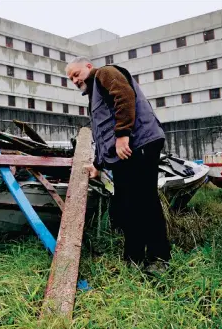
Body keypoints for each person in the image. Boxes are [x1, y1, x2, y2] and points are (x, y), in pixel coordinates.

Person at [66, 56, 171, 269]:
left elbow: (124, 96)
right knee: (127, 205)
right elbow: (101, 133)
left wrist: (123, 134)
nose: (75, 81)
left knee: (145, 201)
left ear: (88, 66)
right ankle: (134, 258)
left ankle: (159, 259)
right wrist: (98, 165)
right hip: (126, 152)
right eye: (70, 79)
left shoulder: (105, 73)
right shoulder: (94, 94)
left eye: (76, 74)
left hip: (138, 144)